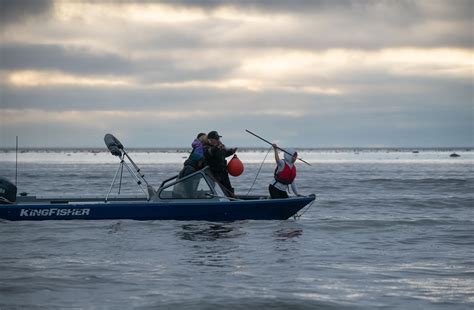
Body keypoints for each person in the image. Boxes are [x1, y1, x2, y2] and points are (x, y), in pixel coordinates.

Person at [204, 130, 237, 197]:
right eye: (216, 138)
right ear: (210, 140)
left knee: (228, 188)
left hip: (223, 172)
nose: (218, 140)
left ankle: (231, 199)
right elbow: (209, 153)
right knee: (218, 189)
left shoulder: (220, 147)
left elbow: (224, 154)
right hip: (214, 173)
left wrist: (231, 152)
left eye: (218, 138)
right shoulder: (206, 147)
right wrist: (216, 148)